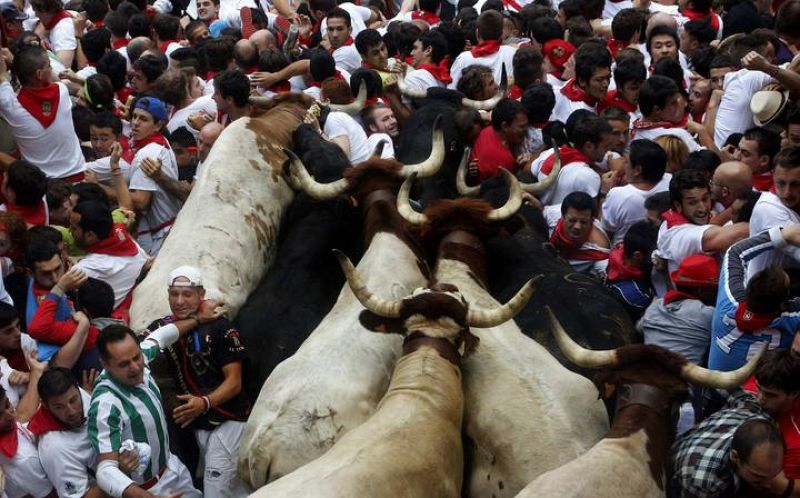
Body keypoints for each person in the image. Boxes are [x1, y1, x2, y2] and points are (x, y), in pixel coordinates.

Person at [89, 310, 224, 498]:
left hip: (172, 469)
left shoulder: (139, 356)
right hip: (146, 490)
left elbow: (160, 337)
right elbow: (105, 471)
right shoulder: (105, 404)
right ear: (106, 365)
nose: (135, 367)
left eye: (137, 357)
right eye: (124, 364)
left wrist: (198, 318)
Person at [147, 266, 250, 497]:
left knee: (215, 489)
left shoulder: (222, 327)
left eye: (187, 294)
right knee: (233, 489)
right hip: (197, 426)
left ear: (201, 294)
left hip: (229, 420)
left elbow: (234, 383)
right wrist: (195, 319)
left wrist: (204, 402)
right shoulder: (160, 327)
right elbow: (142, 347)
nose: (179, 301)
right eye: (174, 294)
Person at [33, 367, 140, 498]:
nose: (71, 412)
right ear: (45, 405)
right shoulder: (54, 448)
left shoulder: (84, 394)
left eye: (73, 400)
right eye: (59, 407)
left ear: (78, 388)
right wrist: (117, 474)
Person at [709, 224, 800, 372]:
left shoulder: (728, 303)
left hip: (716, 389)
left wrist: (782, 234)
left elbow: (735, 252)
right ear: (783, 305)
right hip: (768, 391)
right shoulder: (793, 318)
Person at [0, 47, 85, 181]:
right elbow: (54, 81)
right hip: (78, 175)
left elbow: (1, 79)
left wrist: (9, 67)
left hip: (41, 185)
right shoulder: (61, 90)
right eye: (49, 66)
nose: (51, 68)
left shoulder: (11, 105)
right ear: (40, 74)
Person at [654, 169, 749, 277]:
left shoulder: (705, 219)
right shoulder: (677, 234)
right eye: (692, 203)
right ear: (678, 205)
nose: (702, 208)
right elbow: (730, 235)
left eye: (705, 199)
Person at [671, 415, 785, 497]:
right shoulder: (703, 483)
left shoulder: (757, 414)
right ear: (735, 457)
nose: (770, 485)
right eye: (759, 476)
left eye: (775, 474)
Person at [126, 97, 182, 256]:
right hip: (168, 227)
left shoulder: (149, 152)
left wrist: (104, 188)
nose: (135, 123)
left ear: (158, 125)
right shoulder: (160, 141)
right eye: (134, 116)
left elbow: (140, 200)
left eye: (143, 119)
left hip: (163, 234)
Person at [70, 201, 148, 316]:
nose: (69, 231)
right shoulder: (127, 239)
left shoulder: (85, 269)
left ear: (90, 235)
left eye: (74, 228)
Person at [639, 254, 717, 367]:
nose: (716, 292)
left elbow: (639, 328)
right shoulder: (707, 313)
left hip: (646, 377)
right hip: (685, 382)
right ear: (701, 291)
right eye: (714, 288)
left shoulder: (655, 306)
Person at [535, 111, 614, 205]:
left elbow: (528, 169)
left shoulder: (550, 153)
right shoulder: (588, 176)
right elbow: (592, 216)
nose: (609, 150)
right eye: (605, 146)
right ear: (589, 146)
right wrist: (603, 193)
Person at [0, 355, 51, 498]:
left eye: (8, 405)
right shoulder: (23, 459)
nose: (10, 415)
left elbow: (21, 416)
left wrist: (34, 373)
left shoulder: (7, 425)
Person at [601, 139, 670, 245]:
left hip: (625, 254)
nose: (623, 166)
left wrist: (603, 192)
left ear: (637, 170)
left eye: (626, 162)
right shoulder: (670, 182)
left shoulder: (618, 195)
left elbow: (604, 233)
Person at [748, 148, 800, 278]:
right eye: (781, 183)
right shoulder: (768, 208)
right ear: (773, 175)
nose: (787, 192)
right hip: (763, 294)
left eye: (795, 184)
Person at [632, 75, 708, 153]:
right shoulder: (677, 136)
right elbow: (714, 160)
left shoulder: (634, 127)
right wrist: (701, 130)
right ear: (657, 110)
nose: (679, 104)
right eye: (673, 103)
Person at [545, 191, 610, 277]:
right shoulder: (551, 214)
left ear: (592, 220)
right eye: (572, 220)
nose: (577, 227)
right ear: (562, 216)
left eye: (584, 222)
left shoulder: (599, 249)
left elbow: (604, 272)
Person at [448, 10, 516, 89]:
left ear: (477, 33)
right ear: (501, 34)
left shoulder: (463, 59)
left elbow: (452, 91)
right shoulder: (513, 53)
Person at [606, 220, 659, 321]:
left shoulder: (615, 259)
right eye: (654, 255)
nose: (657, 258)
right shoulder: (634, 295)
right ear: (637, 256)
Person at [551, 44, 612, 123]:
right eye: (600, 80)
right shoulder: (579, 116)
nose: (606, 84)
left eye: (608, 77)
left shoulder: (571, 84)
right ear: (582, 81)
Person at [471, 98, 528, 182]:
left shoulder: (487, 130)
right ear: (505, 126)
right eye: (522, 127)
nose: (526, 131)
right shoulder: (504, 161)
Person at [1, 160, 48, 227]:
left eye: (5, 179)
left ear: (11, 193)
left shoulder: (4, 219)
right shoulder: (43, 199)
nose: (3, 175)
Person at [735, 126, 781, 192]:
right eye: (738, 149)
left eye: (745, 154)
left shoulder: (772, 190)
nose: (736, 156)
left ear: (764, 160)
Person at [325, 8, 362, 74]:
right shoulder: (351, 45)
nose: (334, 35)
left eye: (340, 29)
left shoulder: (345, 53)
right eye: (331, 29)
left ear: (350, 30)